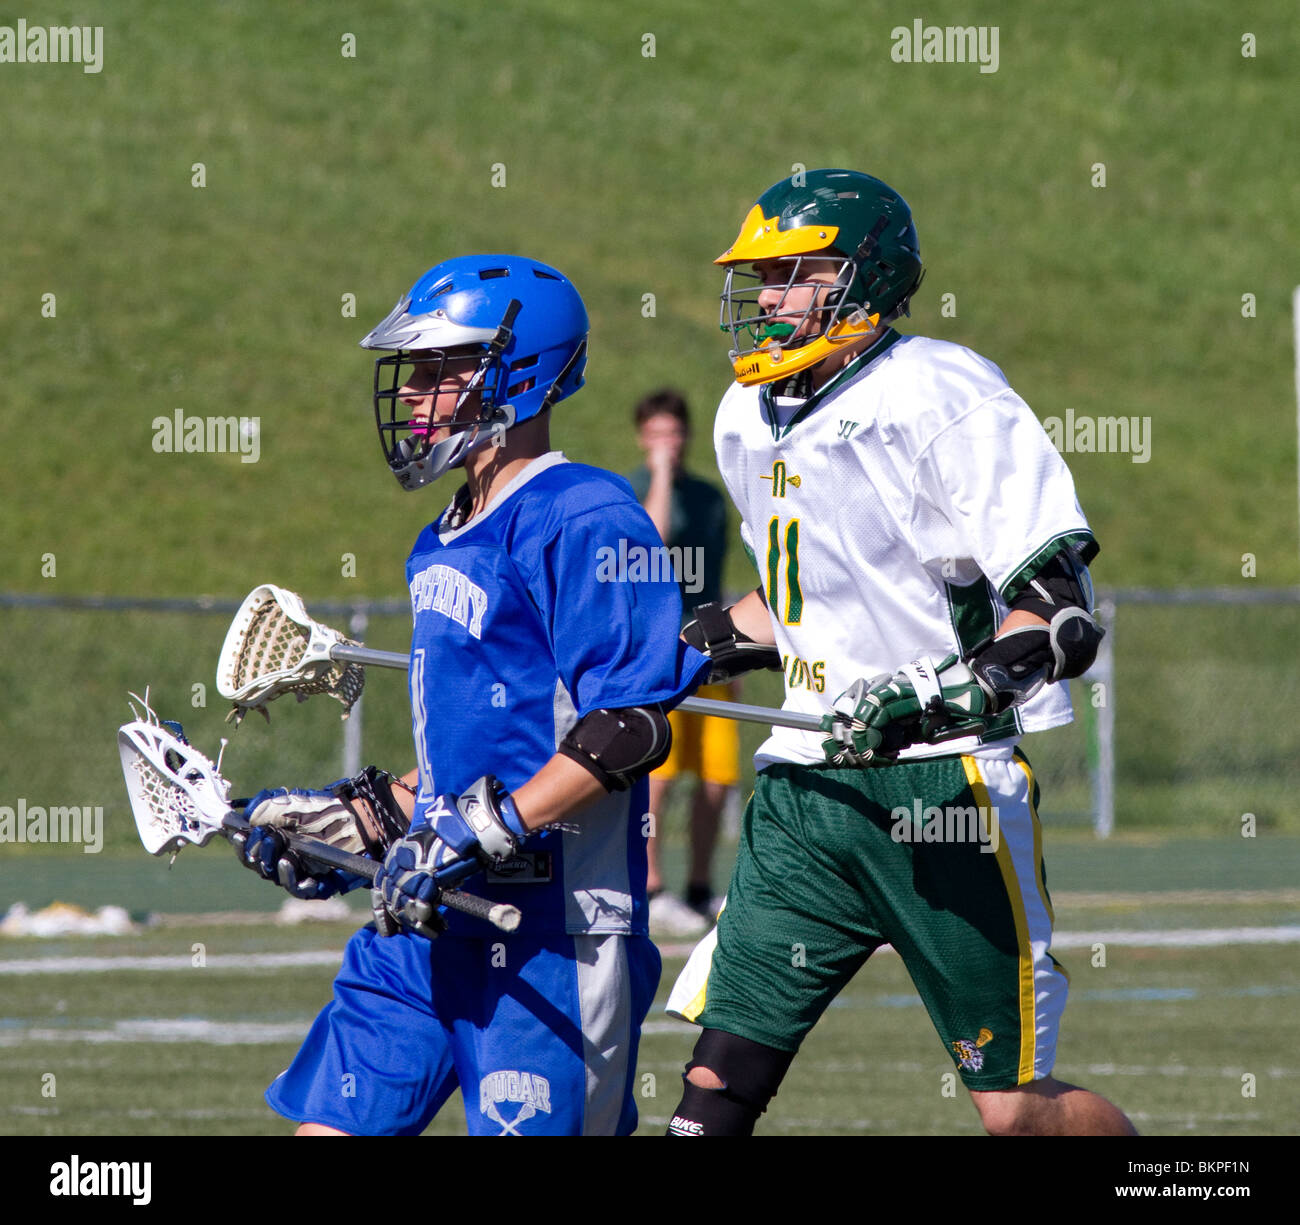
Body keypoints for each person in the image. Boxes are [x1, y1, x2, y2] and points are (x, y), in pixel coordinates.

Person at [663, 169, 1137, 1137]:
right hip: (807, 789)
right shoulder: (743, 417)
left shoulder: (936, 392)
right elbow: (798, 604)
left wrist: (931, 698)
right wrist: (688, 643)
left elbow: (1051, 607)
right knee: (711, 1094)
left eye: (794, 273)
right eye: (762, 277)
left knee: (1015, 1113)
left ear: (863, 280)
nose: (767, 299)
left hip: (939, 789)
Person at [233, 253, 709, 1135]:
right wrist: (365, 818)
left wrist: (481, 830)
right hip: (422, 917)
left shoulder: (586, 514)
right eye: (411, 371)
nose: (414, 394)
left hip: (547, 929)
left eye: (438, 368)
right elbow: (472, 749)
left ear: (514, 372)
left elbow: (628, 728)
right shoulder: (441, 536)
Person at [626, 390, 736, 937]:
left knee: (716, 777)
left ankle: (698, 885)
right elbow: (652, 541)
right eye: (657, 434)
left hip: (710, 654)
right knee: (659, 777)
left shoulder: (711, 498)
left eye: (675, 433)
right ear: (643, 438)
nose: (667, 444)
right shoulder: (633, 491)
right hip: (660, 655)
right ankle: (650, 886)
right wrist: (660, 476)